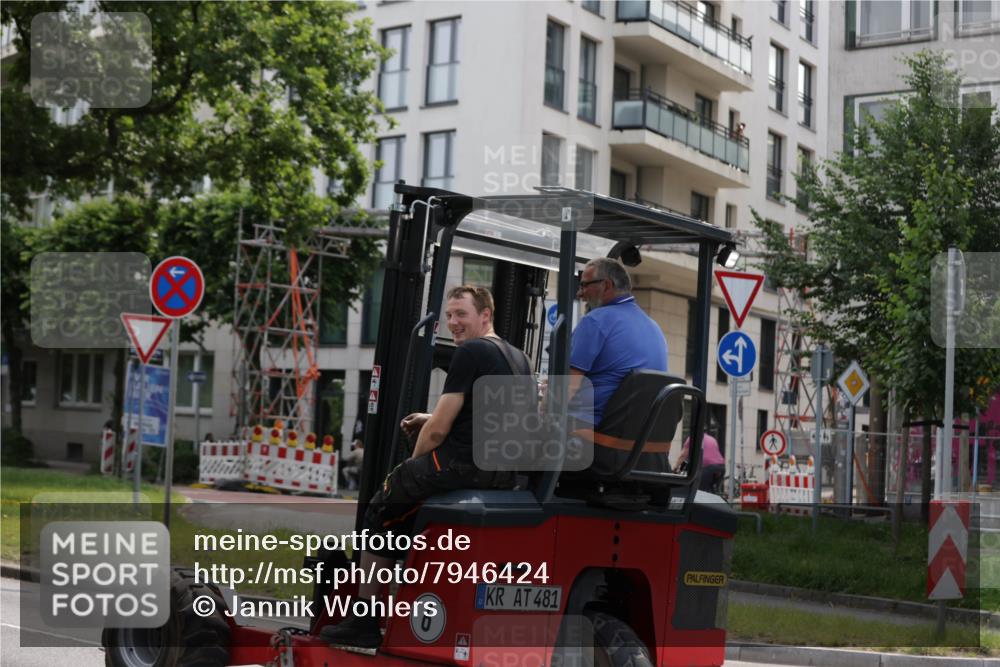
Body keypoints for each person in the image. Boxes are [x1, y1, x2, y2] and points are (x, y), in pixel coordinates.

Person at [320, 285, 530, 648]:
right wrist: (429, 417)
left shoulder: (472, 351)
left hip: (462, 464)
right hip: (500, 471)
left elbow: (437, 432)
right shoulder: (519, 358)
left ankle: (364, 618)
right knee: (405, 508)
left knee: (383, 505)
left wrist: (409, 466)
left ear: (485, 315)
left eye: (461, 314)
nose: (453, 322)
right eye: (449, 315)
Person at [567, 257, 668, 426]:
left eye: (584, 285)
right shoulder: (654, 327)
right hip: (642, 431)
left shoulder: (595, 320)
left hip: (594, 427)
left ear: (606, 285)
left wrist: (544, 404)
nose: (580, 293)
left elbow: (566, 388)